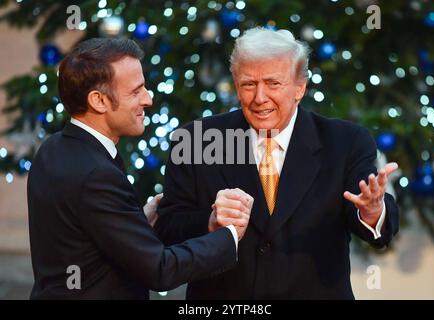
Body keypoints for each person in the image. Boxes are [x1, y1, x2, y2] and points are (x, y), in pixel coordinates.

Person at [154, 27, 400, 299]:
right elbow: (168, 229)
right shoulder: (195, 140)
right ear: (236, 85)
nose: (260, 98)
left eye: (273, 83)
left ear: (299, 87)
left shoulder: (346, 141)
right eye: (249, 84)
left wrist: (371, 212)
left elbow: (377, 231)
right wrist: (211, 222)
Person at [27, 38, 254, 299]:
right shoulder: (97, 175)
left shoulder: (53, 148)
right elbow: (160, 270)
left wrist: (135, 221)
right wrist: (228, 236)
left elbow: (78, 234)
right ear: (98, 101)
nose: (148, 100)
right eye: (136, 92)